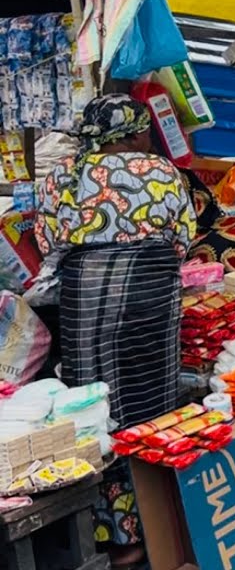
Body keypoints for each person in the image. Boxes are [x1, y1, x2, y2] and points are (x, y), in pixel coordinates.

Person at [32, 95, 196, 569]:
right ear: (132, 132)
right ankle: (165, 520)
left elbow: (49, 244)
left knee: (99, 414)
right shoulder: (162, 172)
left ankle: (121, 539)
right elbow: (182, 242)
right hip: (153, 306)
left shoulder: (62, 175)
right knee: (154, 407)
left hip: (91, 308)